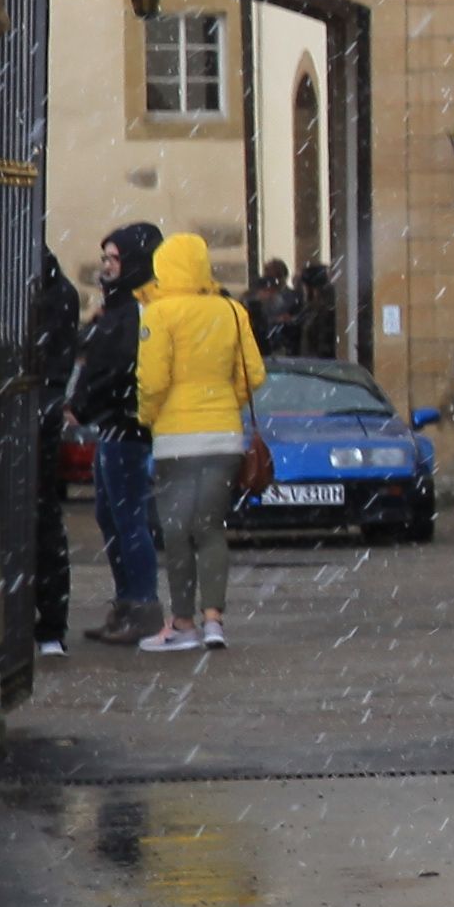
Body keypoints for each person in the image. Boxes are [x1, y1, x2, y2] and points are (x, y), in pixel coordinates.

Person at [132, 231, 265, 653]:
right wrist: (227, 402)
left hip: (177, 438)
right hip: (224, 436)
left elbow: (153, 380)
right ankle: (214, 621)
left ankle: (182, 622)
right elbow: (253, 374)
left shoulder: (159, 312)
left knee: (176, 532)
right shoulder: (231, 310)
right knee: (209, 529)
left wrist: (147, 416)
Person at [72, 222, 164, 650]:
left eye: (113, 259)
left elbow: (117, 368)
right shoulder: (119, 308)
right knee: (111, 517)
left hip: (127, 425)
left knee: (129, 521)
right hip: (112, 424)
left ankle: (141, 605)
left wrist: (83, 406)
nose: (106, 267)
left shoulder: (138, 310)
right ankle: (128, 601)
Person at [3, 246, 86, 661]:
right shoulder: (57, 287)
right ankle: (46, 623)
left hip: (29, 407)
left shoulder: (28, 285)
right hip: (39, 406)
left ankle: (33, 621)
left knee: (32, 515)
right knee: (41, 516)